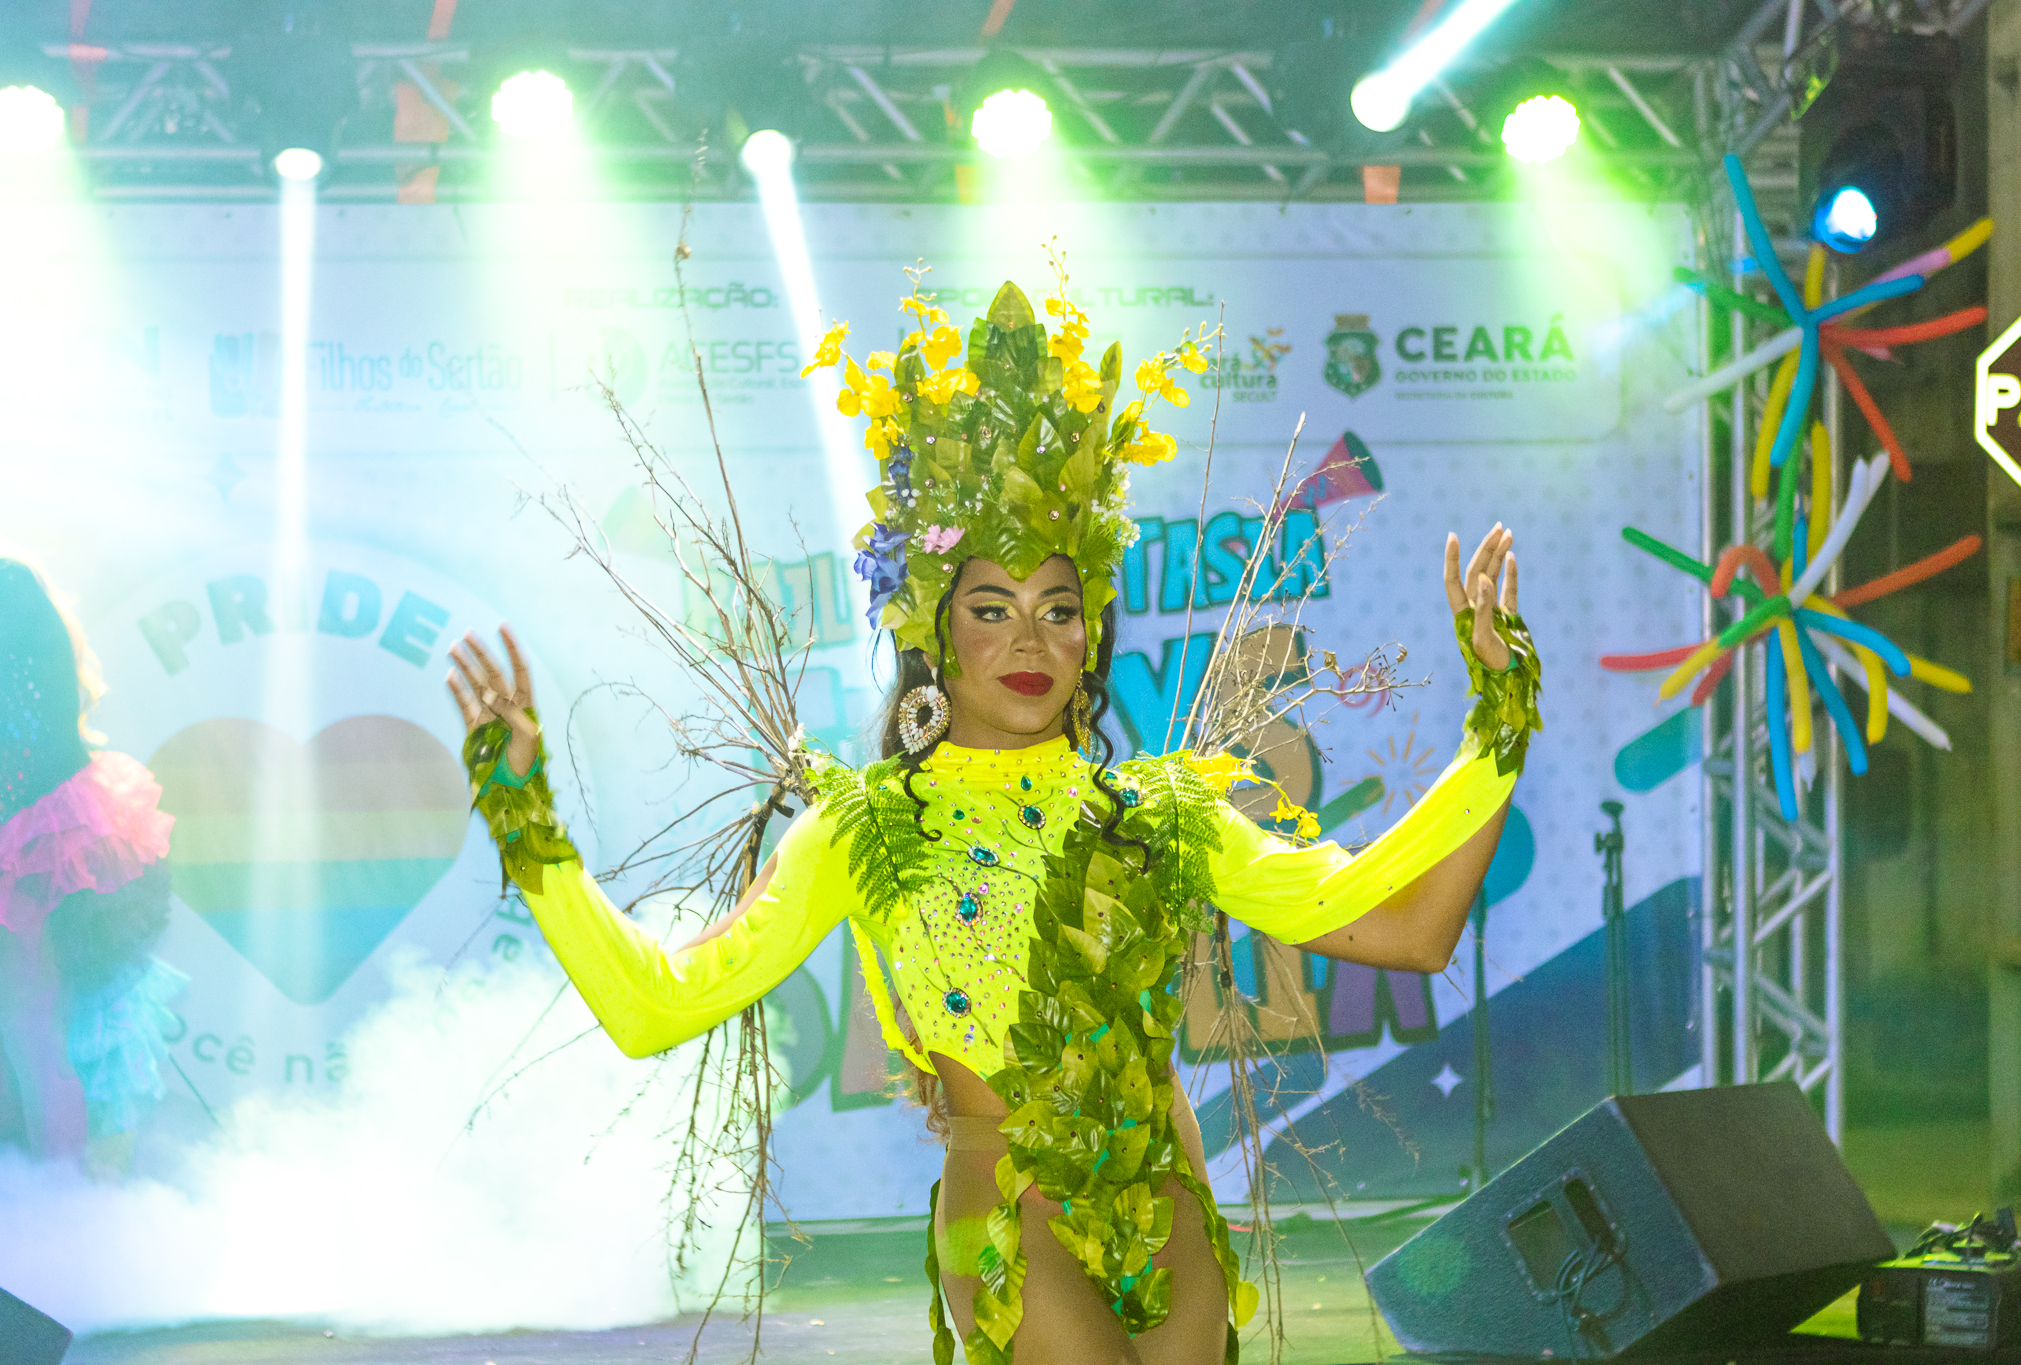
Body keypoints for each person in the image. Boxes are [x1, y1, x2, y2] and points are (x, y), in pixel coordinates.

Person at [448, 281, 1540, 1365]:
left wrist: (1499, 719)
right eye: (990, 608)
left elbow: (1410, 931)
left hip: (1164, 1211)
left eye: (1058, 609)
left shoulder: (1163, 813)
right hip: (1007, 1215)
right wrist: (523, 820)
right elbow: (655, 1005)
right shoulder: (868, 826)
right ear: (934, 633)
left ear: (1089, 635)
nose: (1029, 639)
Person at [0, 542, 184, 1178]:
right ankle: (36, 1199)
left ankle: (54, 1206)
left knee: (27, 1034)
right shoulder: (16, 598)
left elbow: (10, 741)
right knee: (20, 1036)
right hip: (34, 828)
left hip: (28, 840)